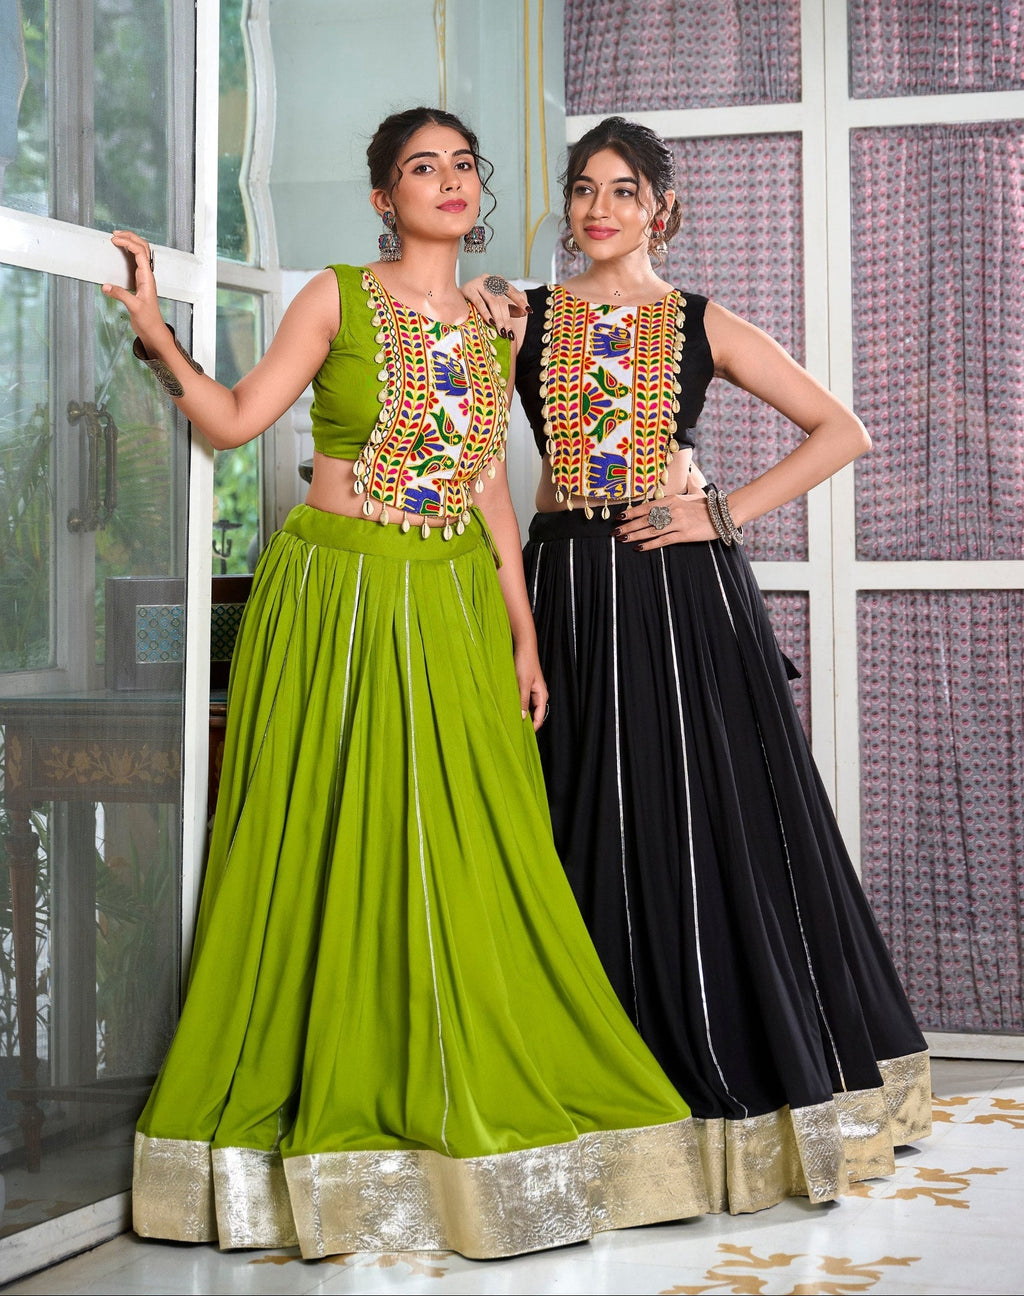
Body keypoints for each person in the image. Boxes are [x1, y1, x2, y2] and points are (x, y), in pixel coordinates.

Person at [101, 107, 709, 1261]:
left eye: (462, 165)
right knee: (334, 842)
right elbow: (234, 423)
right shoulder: (334, 297)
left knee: (470, 846)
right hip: (338, 593)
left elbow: (487, 486)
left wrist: (524, 636)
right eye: (422, 168)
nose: (448, 181)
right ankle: (333, 1111)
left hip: (453, 603)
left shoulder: (492, 325)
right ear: (385, 197)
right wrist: (153, 331)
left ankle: (458, 1084)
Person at [462, 115, 931, 1216]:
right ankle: (591, 1066)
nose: (599, 209)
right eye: (584, 188)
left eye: (624, 191)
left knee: (694, 815)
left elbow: (841, 429)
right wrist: (474, 311)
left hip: (677, 590)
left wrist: (717, 513)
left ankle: (726, 1072)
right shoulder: (525, 314)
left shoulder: (700, 321)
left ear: (661, 210)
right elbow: (473, 444)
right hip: (567, 585)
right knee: (577, 808)